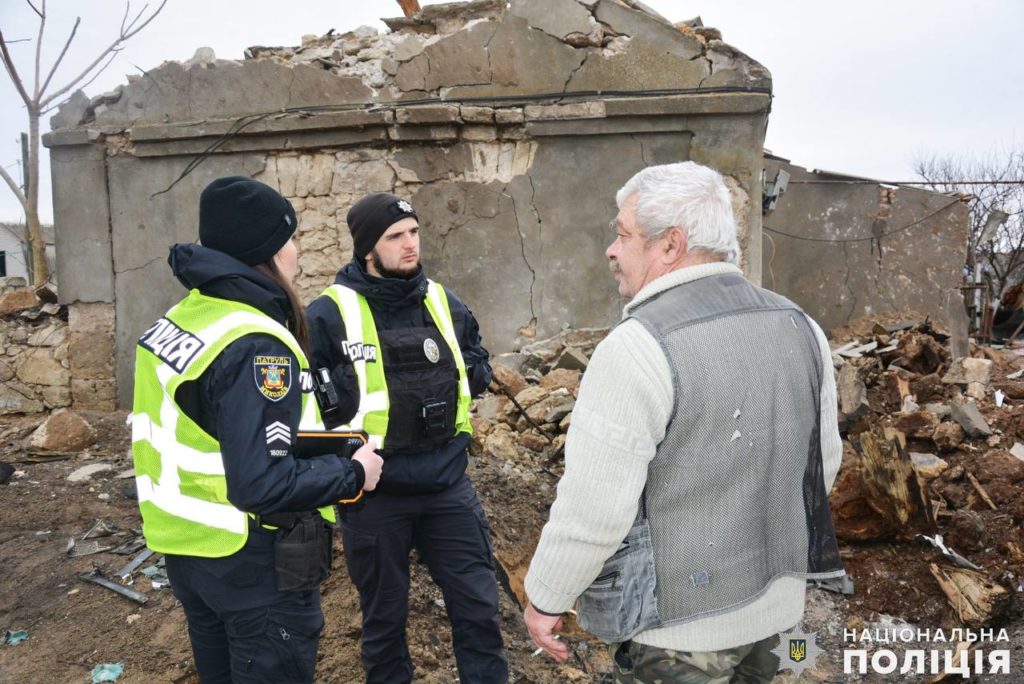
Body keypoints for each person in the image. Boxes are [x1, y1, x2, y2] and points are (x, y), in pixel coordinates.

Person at [523, 162, 845, 682]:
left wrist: (546, 598)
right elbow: (821, 467)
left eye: (624, 234)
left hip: (680, 637)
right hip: (780, 619)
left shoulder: (638, 347)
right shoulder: (800, 325)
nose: (611, 248)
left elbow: (596, 509)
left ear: (670, 245)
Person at [131, 176, 383, 684]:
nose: (296, 251)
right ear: (265, 251)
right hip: (252, 564)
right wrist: (353, 474)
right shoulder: (254, 342)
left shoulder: (184, 320)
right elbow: (261, 485)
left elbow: (212, 428)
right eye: (289, 239)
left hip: (189, 553)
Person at [307, 192, 508, 683]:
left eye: (414, 232)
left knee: (480, 610)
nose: (410, 244)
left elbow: (474, 359)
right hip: (374, 497)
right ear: (368, 248)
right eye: (395, 236)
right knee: (384, 623)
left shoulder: (443, 300)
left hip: (447, 487)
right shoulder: (328, 315)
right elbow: (308, 406)